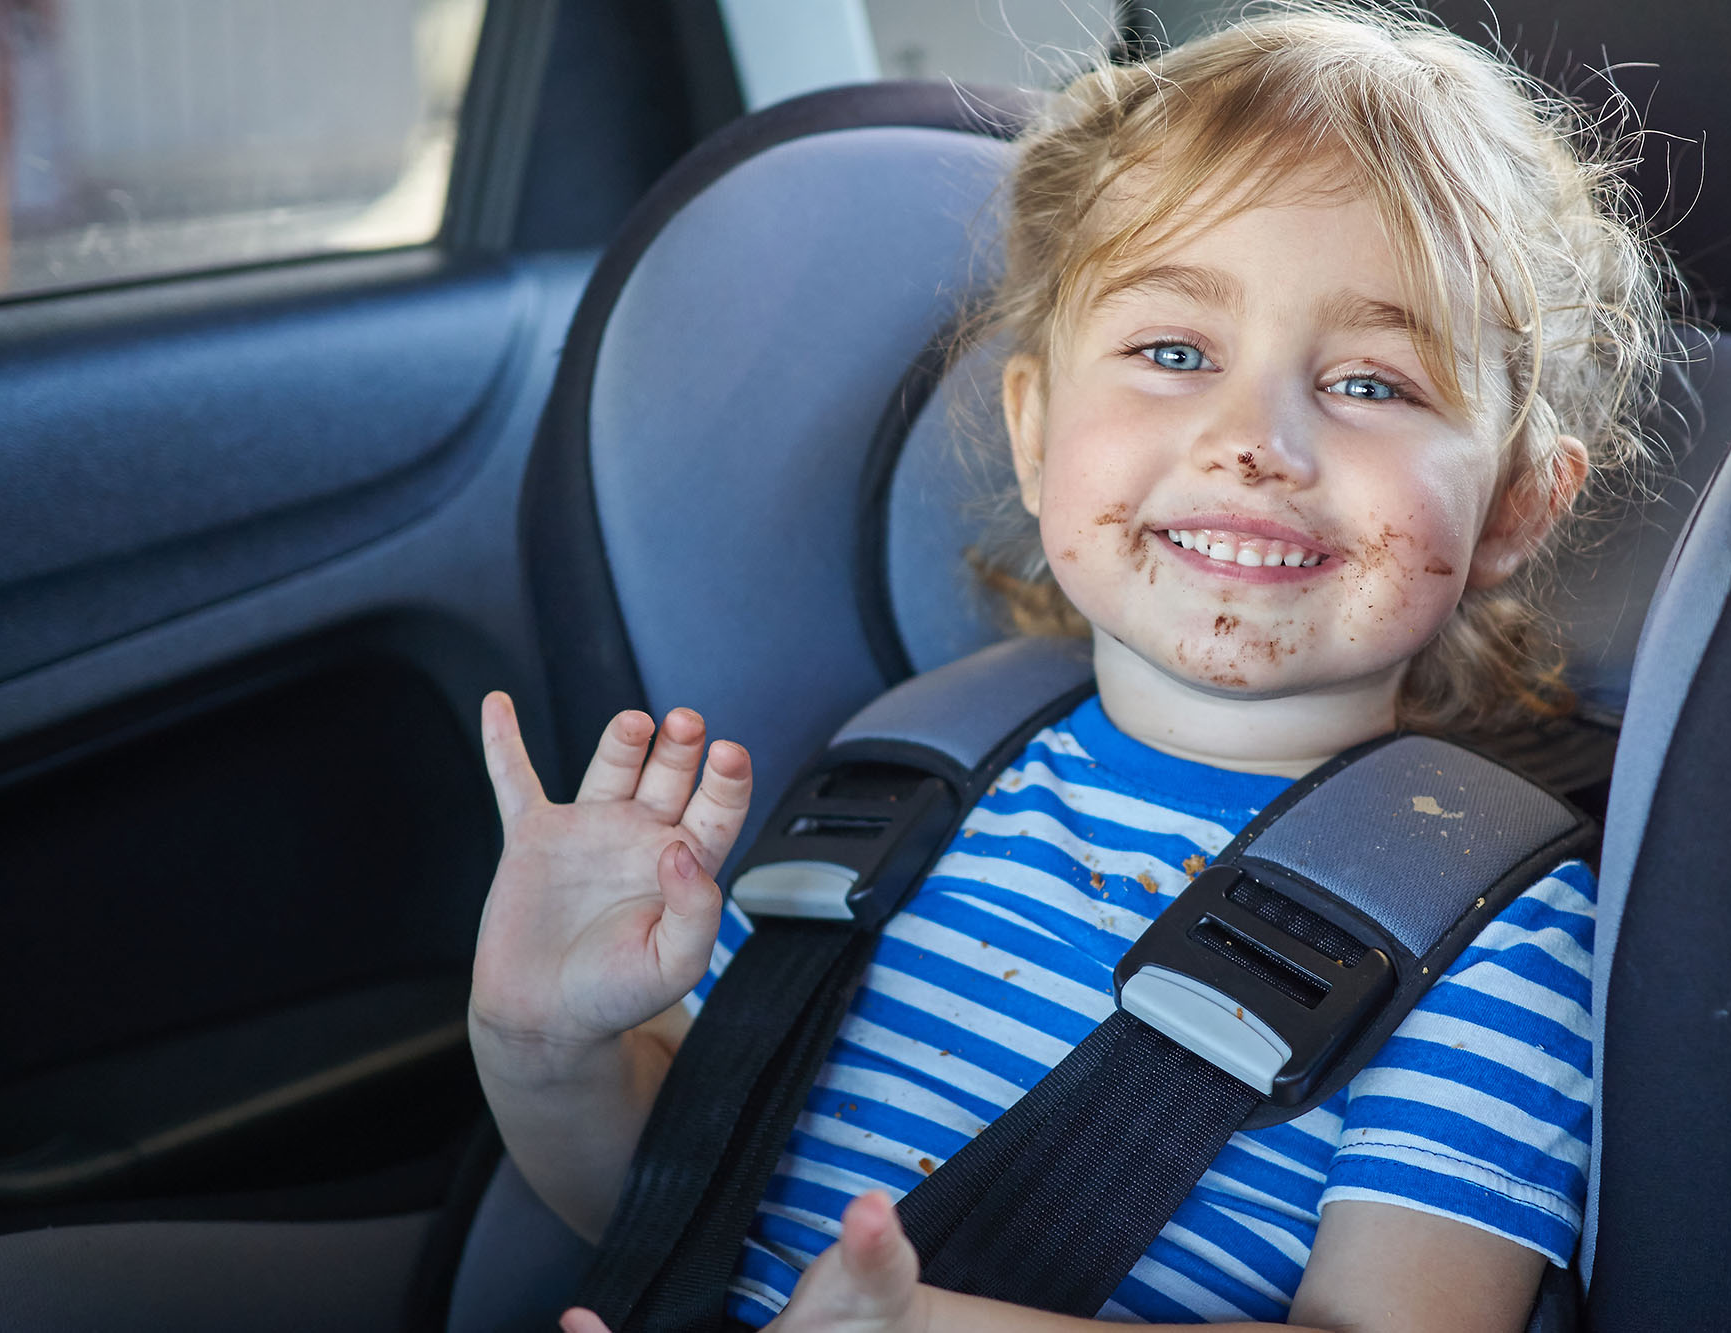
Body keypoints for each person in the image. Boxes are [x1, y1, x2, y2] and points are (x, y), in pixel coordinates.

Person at [470, 6, 1667, 1330]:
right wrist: (543, 1041)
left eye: (1372, 383)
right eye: (1173, 353)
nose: (1252, 438)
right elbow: (663, 1201)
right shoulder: (902, 777)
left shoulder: (1485, 934)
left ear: (1512, 508)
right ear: (1035, 433)